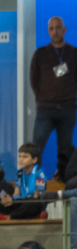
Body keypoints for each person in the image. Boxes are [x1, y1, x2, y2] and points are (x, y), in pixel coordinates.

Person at [29, 17, 77, 180]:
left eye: (58, 28)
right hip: (45, 109)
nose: (55, 31)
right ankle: (34, 180)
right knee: (36, 146)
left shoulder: (74, 53)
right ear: (48, 31)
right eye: (52, 28)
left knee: (65, 149)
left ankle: (64, 181)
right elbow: (34, 80)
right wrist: (44, 97)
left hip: (68, 109)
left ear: (64, 30)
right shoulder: (40, 54)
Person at [0, 142, 49, 220]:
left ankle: (9, 217)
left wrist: (16, 201)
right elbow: (16, 193)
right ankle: (13, 214)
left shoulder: (39, 174)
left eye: (25, 157)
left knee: (32, 202)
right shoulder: (19, 173)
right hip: (21, 202)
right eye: (19, 156)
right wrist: (10, 200)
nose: (21, 160)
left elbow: (37, 197)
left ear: (34, 160)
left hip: (33, 203)